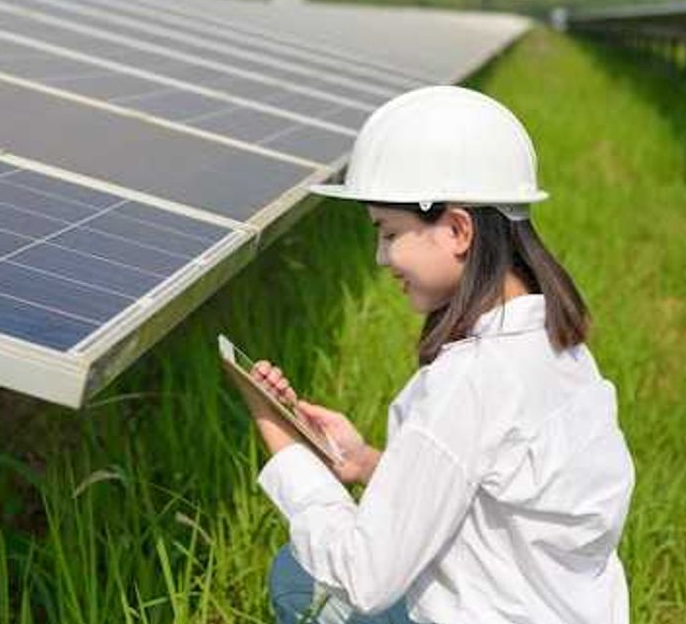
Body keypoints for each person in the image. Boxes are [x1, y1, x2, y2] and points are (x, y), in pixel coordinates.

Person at [237, 85, 635, 624]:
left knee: (297, 577)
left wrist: (283, 444)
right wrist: (368, 463)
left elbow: (364, 576)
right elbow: (497, 499)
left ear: (456, 228)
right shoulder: (553, 342)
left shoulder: (469, 378)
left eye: (389, 233)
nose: (382, 258)